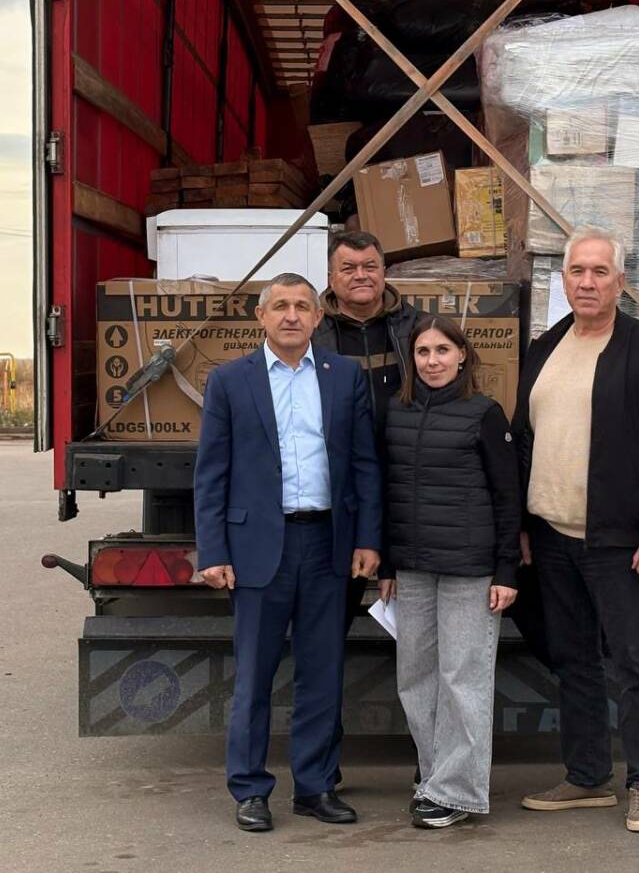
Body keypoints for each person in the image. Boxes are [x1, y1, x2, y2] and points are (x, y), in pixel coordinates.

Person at [512, 227, 639, 834]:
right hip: (551, 535)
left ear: (620, 282)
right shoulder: (545, 347)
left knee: (634, 666)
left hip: (619, 539)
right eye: (577, 271)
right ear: (563, 280)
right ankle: (588, 776)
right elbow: (524, 440)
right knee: (574, 662)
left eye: (599, 272)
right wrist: (520, 524)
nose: (587, 282)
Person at [194, 272, 382, 833]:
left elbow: (365, 463)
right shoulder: (230, 381)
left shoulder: (344, 376)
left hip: (327, 543)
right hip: (258, 547)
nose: (292, 315)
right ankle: (250, 790)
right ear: (261, 316)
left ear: (319, 317)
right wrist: (213, 551)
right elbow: (211, 473)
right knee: (254, 676)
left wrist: (368, 538)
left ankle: (315, 786)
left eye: (302, 305)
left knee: (322, 673)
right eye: (280, 306)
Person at [380, 314, 522, 829]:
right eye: (423, 351)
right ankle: (435, 777)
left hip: (470, 569)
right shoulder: (396, 412)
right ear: (411, 359)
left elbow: (508, 496)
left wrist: (506, 570)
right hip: (414, 568)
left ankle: (458, 792)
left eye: (443, 350)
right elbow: (388, 491)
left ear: (462, 356)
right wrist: (388, 562)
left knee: (463, 678)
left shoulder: (484, 413)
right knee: (415, 677)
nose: (433, 361)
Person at [312, 230, 419, 633]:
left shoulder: (418, 327)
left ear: (384, 271)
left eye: (370, 266)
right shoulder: (312, 334)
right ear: (330, 276)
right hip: (340, 482)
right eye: (348, 268)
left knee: (417, 613)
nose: (361, 275)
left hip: (405, 475)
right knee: (331, 610)